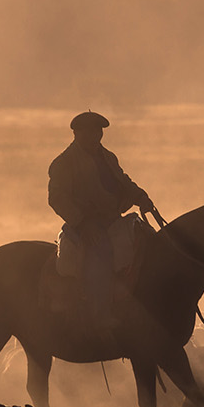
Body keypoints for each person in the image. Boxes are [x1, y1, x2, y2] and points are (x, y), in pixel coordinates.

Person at [48, 111, 154, 330]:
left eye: (98, 131)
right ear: (77, 134)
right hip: (84, 224)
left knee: (148, 239)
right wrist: (82, 223)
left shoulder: (108, 157)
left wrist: (141, 196)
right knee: (102, 251)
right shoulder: (63, 163)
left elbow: (123, 181)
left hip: (112, 219)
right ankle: (100, 316)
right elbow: (57, 198)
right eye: (89, 131)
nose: (95, 136)